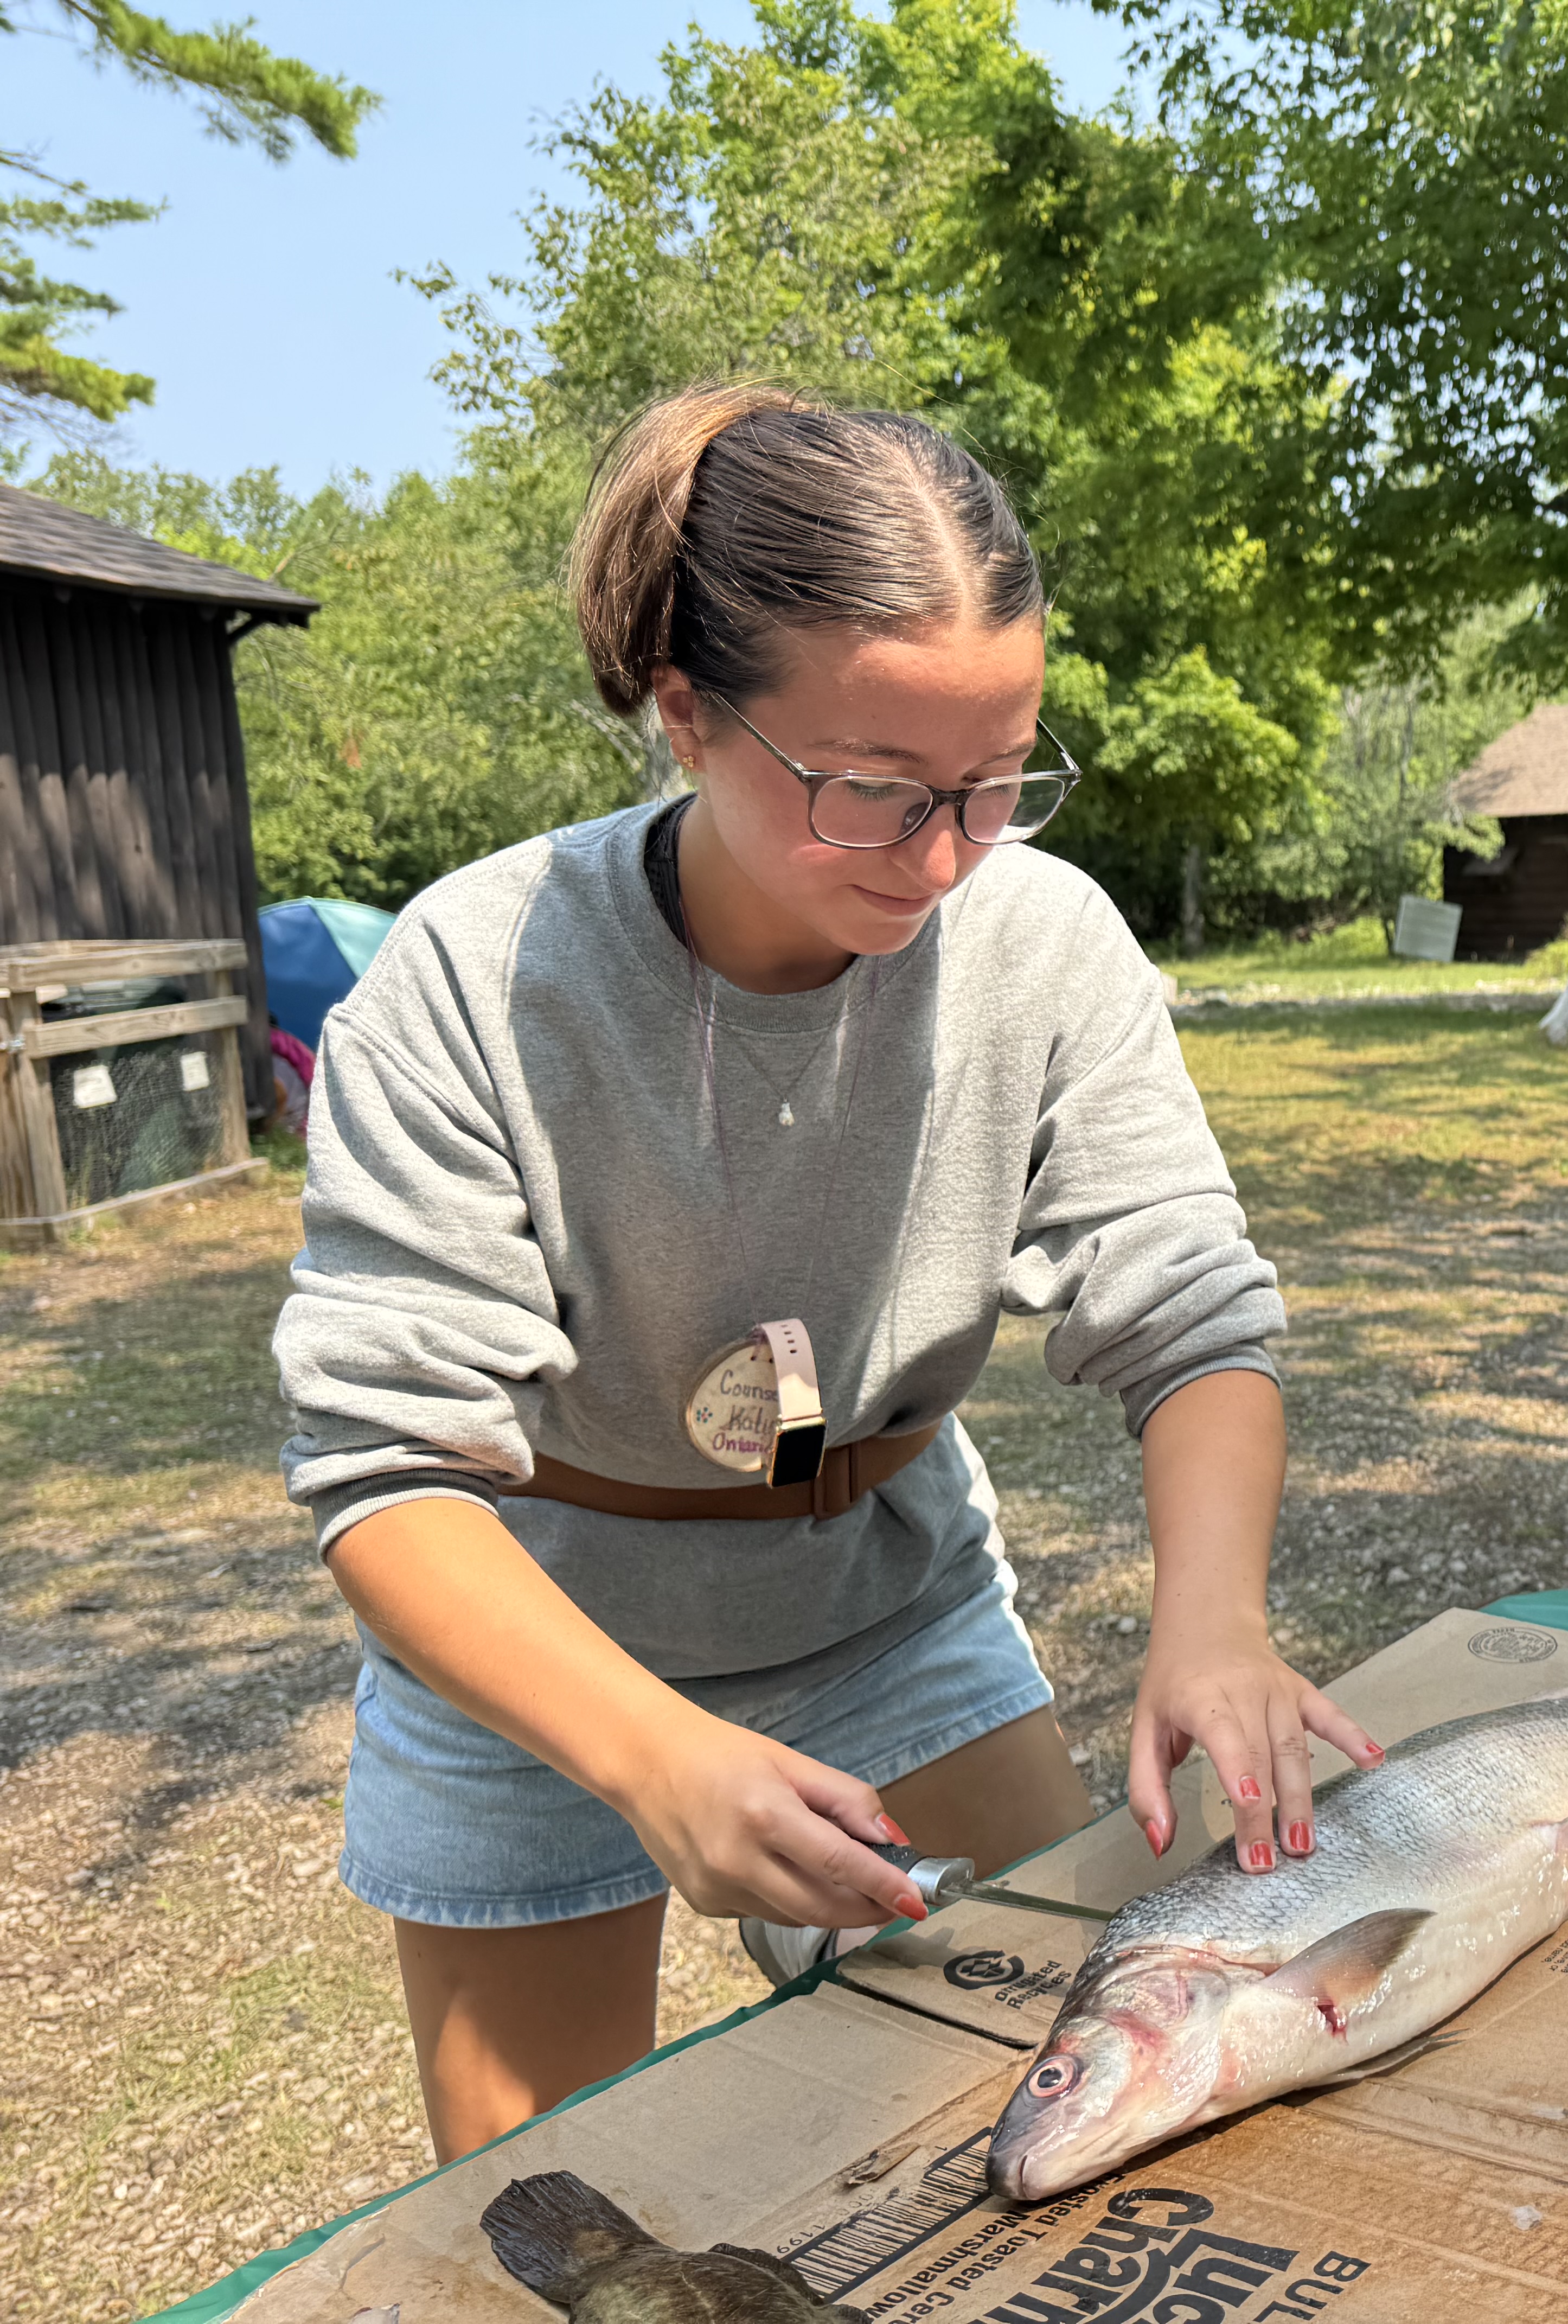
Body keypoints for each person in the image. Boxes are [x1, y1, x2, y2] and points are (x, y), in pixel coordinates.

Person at [273, 382, 1375, 2159]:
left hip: (888, 1605)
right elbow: (384, 1468)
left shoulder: (1044, 940)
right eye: (874, 792)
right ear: (688, 713)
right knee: (565, 2215)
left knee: (1043, 2112)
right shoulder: (474, 985)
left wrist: (1215, 1617)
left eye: (997, 782)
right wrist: (645, 1755)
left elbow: (1193, 1309)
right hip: (543, 1644)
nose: (945, 859)